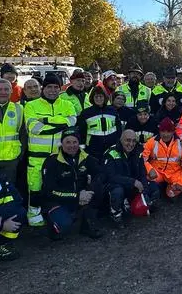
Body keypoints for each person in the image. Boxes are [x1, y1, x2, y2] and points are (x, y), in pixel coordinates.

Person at [23, 73, 78, 227]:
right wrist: (61, 125)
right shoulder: (31, 106)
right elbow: (34, 128)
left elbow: (72, 123)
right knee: (35, 187)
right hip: (37, 156)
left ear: (60, 88)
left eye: (56, 87)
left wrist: (46, 120)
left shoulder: (67, 105)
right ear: (43, 88)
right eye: (49, 87)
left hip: (59, 155)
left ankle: (57, 214)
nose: (52, 90)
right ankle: (34, 214)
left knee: (60, 186)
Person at [39, 129, 103, 240]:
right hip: (57, 200)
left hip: (79, 197)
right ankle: (53, 225)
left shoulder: (86, 158)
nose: (71, 145)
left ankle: (86, 225)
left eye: (75, 142)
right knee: (64, 225)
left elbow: (100, 174)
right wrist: (77, 196)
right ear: (62, 143)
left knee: (100, 189)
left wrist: (89, 190)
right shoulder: (51, 161)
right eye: (68, 142)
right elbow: (49, 191)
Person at [102, 130, 160, 228]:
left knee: (154, 188)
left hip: (133, 185)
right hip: (117, 185)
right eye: (128, 140)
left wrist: (144, 192)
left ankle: (138, 205)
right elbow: (110, 177)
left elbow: (142, 173)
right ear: (121, 140)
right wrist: (133, 182)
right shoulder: (111, 153)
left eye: (134, 141)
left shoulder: (138, 151)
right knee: (117, 191)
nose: (131, 144)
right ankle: (116, 214)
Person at [142, 117, 182, 200]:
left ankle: (169, 188)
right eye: (163, 131)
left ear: (173, 132)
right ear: (159, 131)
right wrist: (149, 169)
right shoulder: (152, 142)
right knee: (144, 177)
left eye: (169, 131)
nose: (165, 134)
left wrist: (181, 183)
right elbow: (142, 158)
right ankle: (159, 187)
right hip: (157, 171)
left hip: (174, 173)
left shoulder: (181, 144)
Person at [78, 85, 122, 161]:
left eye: (101, 96)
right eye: (96, 97)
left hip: (111, 147)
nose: (99, 99)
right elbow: (82, 133)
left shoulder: (112, 110)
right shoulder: (86, 113)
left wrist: (118, 143)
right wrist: (83, 149)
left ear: (105, 97)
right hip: (93, 149)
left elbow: (118, 128)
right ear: (92, 98)